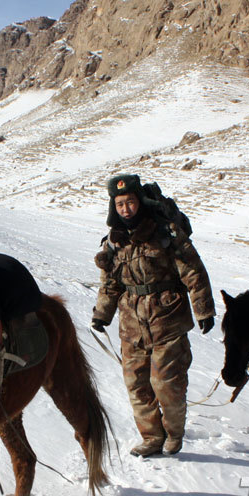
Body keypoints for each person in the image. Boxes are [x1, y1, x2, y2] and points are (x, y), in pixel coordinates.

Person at [91, 174, 215, 457]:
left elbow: (193, 270)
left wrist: (204, 310)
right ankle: (151, 437)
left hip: (167, 318)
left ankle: (173, 435)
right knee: (137, 385)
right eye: (120, 204)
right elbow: (110, 283)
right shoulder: (114, 242)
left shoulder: (165, 232)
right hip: (131, 323)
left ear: (140, 202)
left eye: (130, 202)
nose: (126, 210)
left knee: (166, 383)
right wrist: (102, 314)